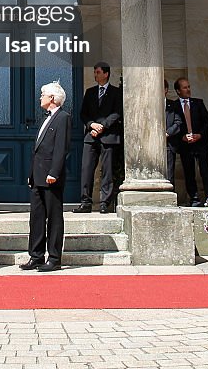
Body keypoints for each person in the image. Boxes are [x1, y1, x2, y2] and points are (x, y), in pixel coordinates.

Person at [21, 81, 71, 272]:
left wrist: (54, 173)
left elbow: (61, 148)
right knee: (36, 217)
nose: (40, 97)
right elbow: (38, 150)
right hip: (37, 177)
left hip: (51, 177)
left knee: (54, 218)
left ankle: (55, 258)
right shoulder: (44, 118)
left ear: (52, 98)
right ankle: (36, 256)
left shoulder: (63, 118)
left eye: (43, 94)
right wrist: (31, 174)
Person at [73, 62, 122, 213]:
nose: (95, 75)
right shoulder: (90, 92)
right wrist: (91, 125)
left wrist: (103, 126)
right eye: (94, 72)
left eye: (98, 72)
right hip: (91, 136)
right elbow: (83, 114)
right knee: (86, 169)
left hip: (109, 136)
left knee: (107, 171)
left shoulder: (116, 93)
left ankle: (104, 203)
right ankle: (85, 202)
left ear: (106, 74)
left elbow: (117, 112)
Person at [174, 77, 208, 206]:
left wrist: (200, 135)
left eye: (189, 87)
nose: (188, 90)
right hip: (185, 145)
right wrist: (182, 136)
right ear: (178, 91)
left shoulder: (198, 103)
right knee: (189, 172)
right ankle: (194, 198)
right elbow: (173, 125)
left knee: (205, 171)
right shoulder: (173, 106)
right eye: (185, 88)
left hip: (200, 143)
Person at [165, 79, 183, 189]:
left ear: (166, 90)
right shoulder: (148, 105)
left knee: (169, 173)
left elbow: (178, 122)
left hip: (168, 144)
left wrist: (167, 133)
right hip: (151, 145)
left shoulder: (173, 105)